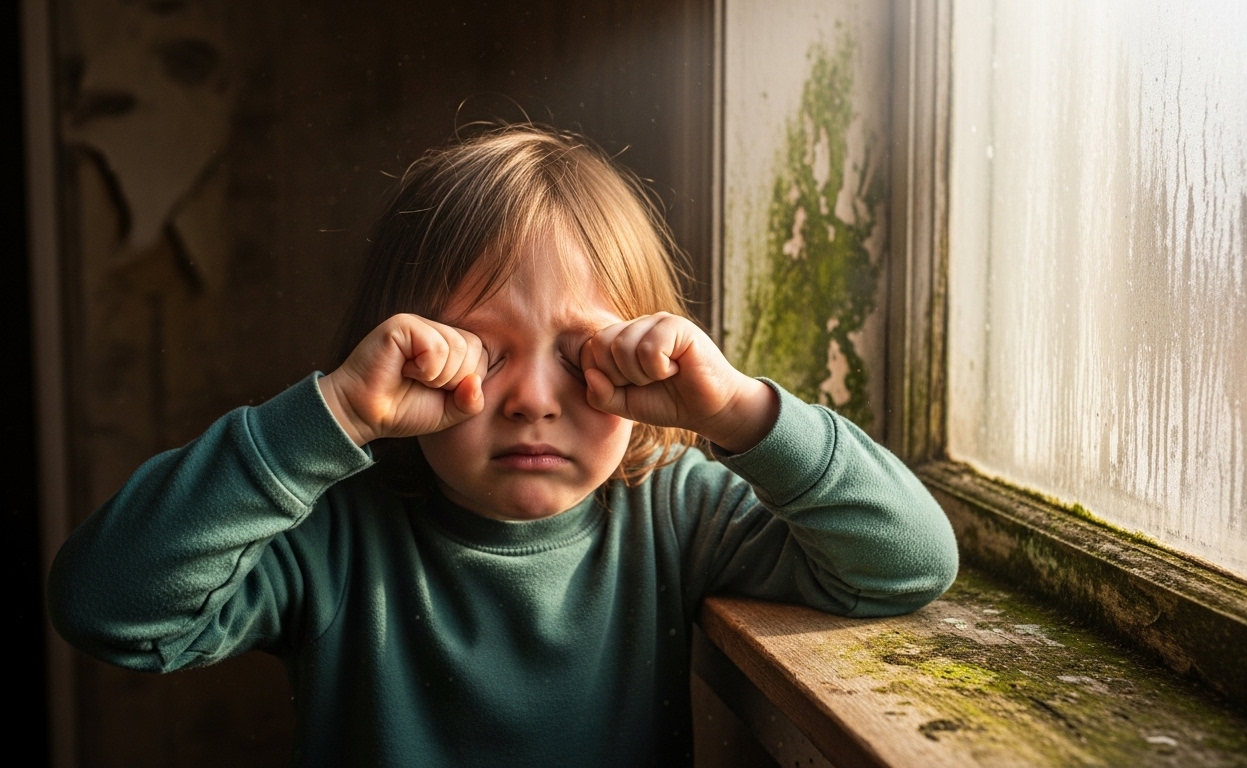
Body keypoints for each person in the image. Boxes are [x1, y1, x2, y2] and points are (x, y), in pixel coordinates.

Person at [48, 124, 959, 766]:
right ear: (393, 365)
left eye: (581, 356)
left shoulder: (674, 511)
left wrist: (735, 412)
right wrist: (330, 417)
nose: (529, 399)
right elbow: (107, 609)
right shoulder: (332, 533)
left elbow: (906, 562)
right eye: (477, 353)